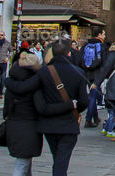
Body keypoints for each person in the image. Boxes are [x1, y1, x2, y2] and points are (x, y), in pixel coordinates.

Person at [33, 39, 89, 176]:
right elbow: (84, 101)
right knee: (61, 161)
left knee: (57, 158)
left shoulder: (43, 72)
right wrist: (74, 109)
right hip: (69, 123)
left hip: (49, 124)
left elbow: (38, 101)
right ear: (69, 53)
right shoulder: (78, 72)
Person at [4, 47, 43, 176]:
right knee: (22, 164)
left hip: (13, 125)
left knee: (24, 162)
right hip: (29, 125)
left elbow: (6, 108)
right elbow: (40, 107)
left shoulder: (10, 83)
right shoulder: (35, 85)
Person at [81, 29, 105, 129]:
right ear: (99, 35)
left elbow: (80, 60)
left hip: (87, 74)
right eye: (104, 34)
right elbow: (103, 61)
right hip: (97, 75)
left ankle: (95, 118)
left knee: (93, 95)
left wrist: (86, 68)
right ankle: (88, 119)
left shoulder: (85, 46)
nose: (105, 36)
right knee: (93, 97)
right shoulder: (102, 46)